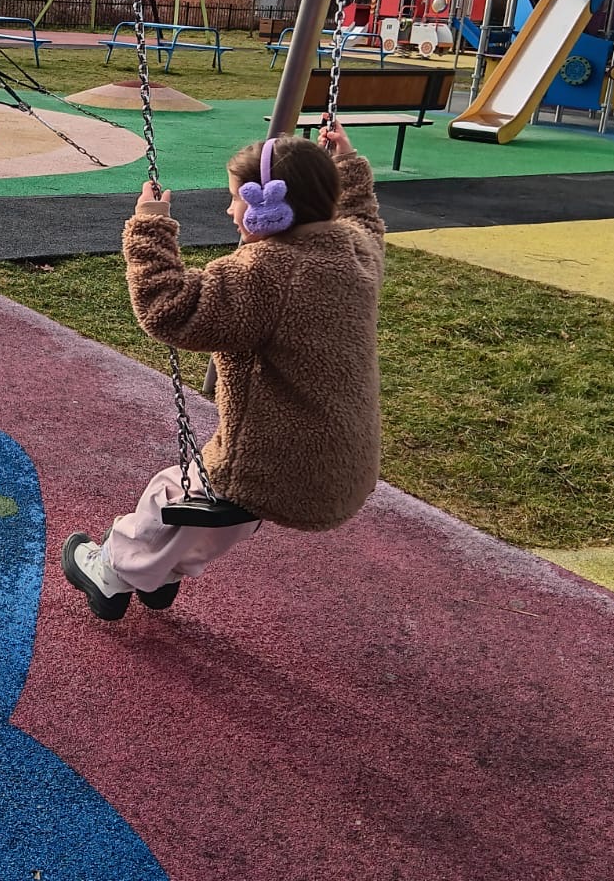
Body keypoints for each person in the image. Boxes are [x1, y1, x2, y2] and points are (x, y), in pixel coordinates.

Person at [61, 123, 384, 620]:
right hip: (344, 463)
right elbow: (364, 218)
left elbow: (170, 309)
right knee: (223, 512)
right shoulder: (354, 249)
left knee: (174, 494)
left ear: (266, 209)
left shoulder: (265, 271)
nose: (229, 210)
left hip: (273, 463)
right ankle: (157, 572)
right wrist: (347, 166)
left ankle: (109, 572)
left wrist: (150, 228)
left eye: (235, 200)